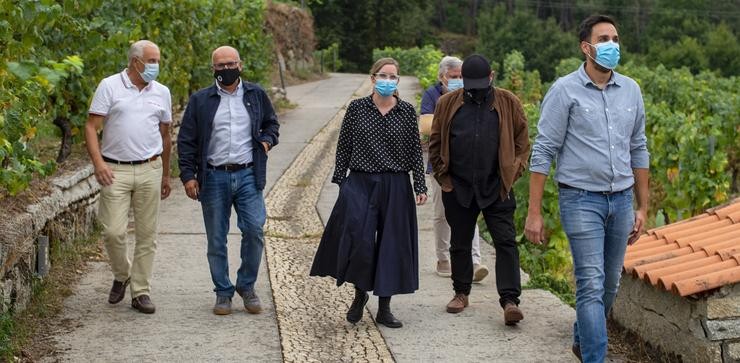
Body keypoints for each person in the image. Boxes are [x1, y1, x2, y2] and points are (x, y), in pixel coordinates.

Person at [524, 15, 649, 363]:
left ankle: (582, 338)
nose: (612, 45)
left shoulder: (632, 90)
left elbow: (638, 147)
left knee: (609, 285)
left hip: (622, 200)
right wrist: (534, 213)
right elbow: (543, 150)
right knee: (591, 284)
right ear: (586, 47)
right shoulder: (564, 91)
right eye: (604, 38)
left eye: (616, 38)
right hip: (580, 200)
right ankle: (596, 357)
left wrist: (643, 206)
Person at [310, 58, 427, 329]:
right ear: (373, 78)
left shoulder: (407, 111)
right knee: (359, 242)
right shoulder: (357, 108)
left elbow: (414, 152)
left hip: (396, 184)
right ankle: (359, 295)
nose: (388, 80)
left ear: (397, 81)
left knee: (392, 246)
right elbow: (344, 145)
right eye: (383, 75)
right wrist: (341, 181)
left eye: (393, 76)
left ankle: (385, 308)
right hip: (361, 182)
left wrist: (419, 186)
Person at [178, 46, 280, 316]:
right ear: (213, 69)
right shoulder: (201, 100)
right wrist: (188, 176)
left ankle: (246, 286)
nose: (226, 69)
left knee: (255, 229)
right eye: (220, 65)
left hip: (248, 173)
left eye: (230, 64)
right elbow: (186, 141)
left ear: (240, 65)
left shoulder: (256, 95)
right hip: (213, 176)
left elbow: (272, 125)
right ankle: (223, 292)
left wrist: (267, 142)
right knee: (216, 238)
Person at [429, 54, 529, 325]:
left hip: (497, 187)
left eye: (479, 83)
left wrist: (512, 173)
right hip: (458, 186)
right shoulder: (448, 103)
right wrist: (444, 178)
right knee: (459, 243)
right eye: (468, 83)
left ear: (491, 77)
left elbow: (523, 143)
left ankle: (510, 300)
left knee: (505, 242)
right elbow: (435, 141)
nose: (474, 88)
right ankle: (461, 293)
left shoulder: (508, 102)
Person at [85, 40, 172, 314]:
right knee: (112, 232)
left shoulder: (162, 92)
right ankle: (122, 274)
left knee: (147, 235)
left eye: (158, 61)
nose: (156, 66)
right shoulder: (109, 86)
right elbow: (91, 126)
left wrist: (166, 174)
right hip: (115, 169)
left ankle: (141, 291)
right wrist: (98, 163)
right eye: (152, 61)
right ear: (136, 61)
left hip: (150, 168)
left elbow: (166, 134)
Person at [421, 56, 489, 282]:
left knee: (471, 210)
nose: (459, 80)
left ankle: (475, 260)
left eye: (461, 76)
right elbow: (426, 126)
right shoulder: (432, 95)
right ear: (442, 77)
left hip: (468, 164)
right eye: (453, 77)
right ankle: (443, 258)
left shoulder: (472, 93)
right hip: (440, 165)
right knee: (442, 214)